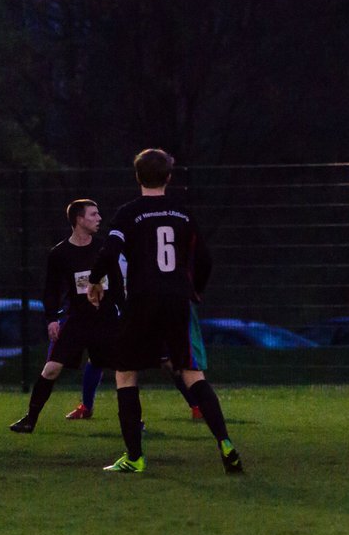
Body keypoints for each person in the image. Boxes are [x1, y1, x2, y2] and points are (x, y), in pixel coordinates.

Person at [87, 148, 242, 473]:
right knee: (190, 372)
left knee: (126, 373)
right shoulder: (183, 214)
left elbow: (109, 250)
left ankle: (134, 457)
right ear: (169, 177)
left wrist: (94, 281)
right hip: (176, 299)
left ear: (137, 176)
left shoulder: (129, 213)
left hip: (142, 298)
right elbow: (206, 260)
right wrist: (194, 290)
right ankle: (225, 443)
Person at [9, 199, 118, 433]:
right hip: (77, 320)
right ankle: (30, 419)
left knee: (124, 371)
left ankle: (134, 422)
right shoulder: (60, 254)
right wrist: (51, 318)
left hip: (105, 320)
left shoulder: (104, 248)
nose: (99, 218)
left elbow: (117, 283)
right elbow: (51, 290)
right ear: (79, 219)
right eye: (93, 214)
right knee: (51, 369)